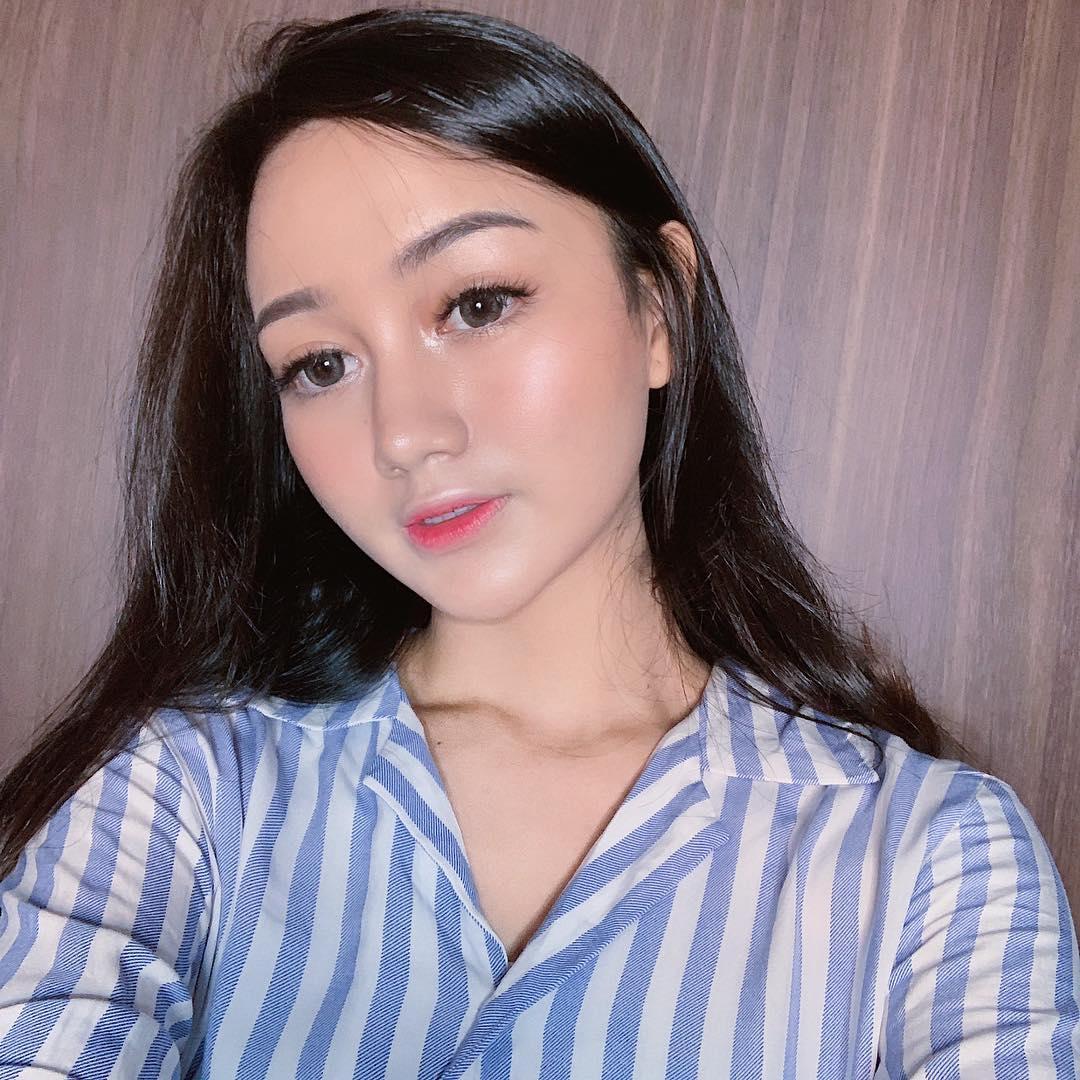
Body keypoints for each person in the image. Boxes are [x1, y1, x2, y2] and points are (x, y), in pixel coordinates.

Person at [0, 6, 1076, 1077]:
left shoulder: (930, 860)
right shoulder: (180, 793)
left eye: (477, 304)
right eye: (320, 364)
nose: (405, 434)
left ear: (658, 307)